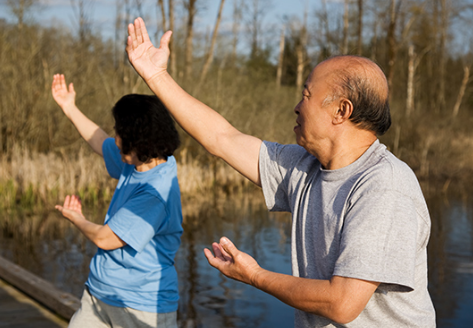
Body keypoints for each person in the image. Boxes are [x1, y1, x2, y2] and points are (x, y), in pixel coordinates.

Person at [125, 17, 436, 327]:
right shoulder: (304, 167)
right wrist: (156, 75)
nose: (297, 106)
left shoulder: (385, 186)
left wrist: (255, 275)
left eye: (307, 95)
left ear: (342, 111)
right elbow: (222, 139)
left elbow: (342, 303)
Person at [51, 74, 183, 328]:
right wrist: (69, 107)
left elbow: (105, 238)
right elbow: (99, 140)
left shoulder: (155, 194)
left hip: (139, 306)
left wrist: (76, 218)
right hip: (99, 295)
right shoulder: (140, 160)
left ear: (138, 141)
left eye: (119, 133)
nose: (115, 138)